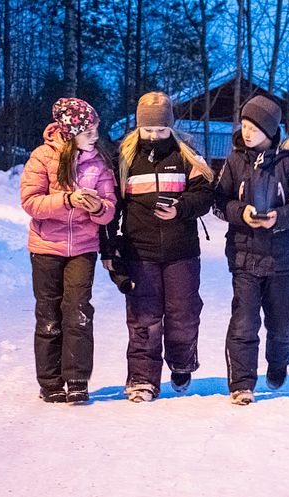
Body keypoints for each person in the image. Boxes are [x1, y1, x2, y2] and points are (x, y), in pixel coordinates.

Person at [102, 91, 214, 402]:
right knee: (144, 317)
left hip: (183, 252)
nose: (154, 135)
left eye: (161, 130)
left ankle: (181, 364)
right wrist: (110, 248)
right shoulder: (123, 159)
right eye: (147, 129)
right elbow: (112, 208)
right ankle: (142, 379)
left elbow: (206, 195)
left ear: (171, 127)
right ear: (138, 127)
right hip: (141, 251)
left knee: (183, 314)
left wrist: (181, 207)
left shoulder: (186, 155)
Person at [213, 95, 289, 405]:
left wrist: (278, 218)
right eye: (243, 125)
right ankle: (242, 383)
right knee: (244, 321)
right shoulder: (234, 161)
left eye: (254, 127)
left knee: (283, 323)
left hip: (282, 260)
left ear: (270, 131)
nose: (246, 132)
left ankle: (279, 361)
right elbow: (219, 202)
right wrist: (241, 213)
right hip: (244, 256)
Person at [20, 97, 116, 404]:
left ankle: (76, 378)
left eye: (96, 130)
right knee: (49, 314)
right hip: (46, 246)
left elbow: (110, 207)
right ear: (71, 131)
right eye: (89, 132)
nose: (95, 137)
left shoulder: (98, 161)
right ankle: (49, 382)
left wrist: (99, 207)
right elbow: (30, 202)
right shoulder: (41, 157)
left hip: (83, 248)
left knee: (78, 312)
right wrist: (66, 201)